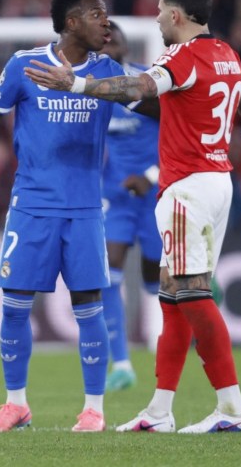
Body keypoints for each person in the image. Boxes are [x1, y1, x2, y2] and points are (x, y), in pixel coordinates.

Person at [25, 0, 241, 434]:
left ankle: (233, 408)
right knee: (174, 299)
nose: (155, 18)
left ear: (176, 15)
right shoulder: (227, 55)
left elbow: (139, 87)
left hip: (188, 188)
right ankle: (159, 411)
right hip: (218, 182)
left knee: (193, 297)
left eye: (159, 10)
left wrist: (74, 84)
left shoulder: (180, 56)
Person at [0, 0, 124, 433]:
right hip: (31, 206)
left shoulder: (109, 73)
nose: (105, 22)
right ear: (71, 22)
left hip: (86, 209)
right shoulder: (23, 65)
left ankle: (94, 409)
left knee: (89, 304)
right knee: (14, 306)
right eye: (96, 14)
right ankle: (17, 405)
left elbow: (153, 106)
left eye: (105, 15)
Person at [98, 21, 162, 393]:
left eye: (114, 40)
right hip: (115, 198)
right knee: (108, 275)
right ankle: (120, 362)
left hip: (154, 194)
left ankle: (161, 344)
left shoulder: (147, 83)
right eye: (102, 42)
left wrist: (150, 176)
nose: (108, 46)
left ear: (125, 46)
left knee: (157, 280)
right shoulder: (92, 91)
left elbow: (178, 136)